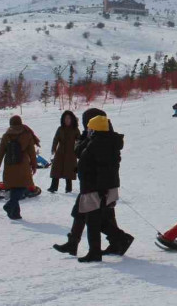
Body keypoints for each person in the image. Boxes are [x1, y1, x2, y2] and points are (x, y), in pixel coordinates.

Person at [54, 108, 133, 260]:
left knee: (99, 217)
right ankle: (74, 242)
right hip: (96, 183)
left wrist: (85, 143)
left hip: (98, 184)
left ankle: (118, 240)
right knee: (83, 212)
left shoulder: (100, 135)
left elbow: (91, 157)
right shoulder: (97, 133)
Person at [75, 115, 132, 263]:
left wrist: (101, 188)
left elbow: (104, 169)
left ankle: (95, 252)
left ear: (95, 130)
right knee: (98, 219)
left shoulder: (99, 144)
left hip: (97, 188)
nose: (88, 130)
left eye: (90, 128)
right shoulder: (103, 142)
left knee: (93, 220)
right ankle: (120, 239)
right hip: (101, 187)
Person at [0, 116, 39, 220]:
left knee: (14, 188)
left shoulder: (6, 136)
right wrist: (34, 165)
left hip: (10, 165)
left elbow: (1, 152)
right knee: (23, 186)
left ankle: (15, 214)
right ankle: (9, 205)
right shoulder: (27, 134)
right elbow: (31, 152)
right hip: (23, 165)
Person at [50, 110, 80, 193]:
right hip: (60, 152)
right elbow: (56, 139)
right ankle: (53, 187)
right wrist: (53, 148)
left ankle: (68, 188)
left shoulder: (75, 129)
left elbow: (79, 140)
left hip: (71, 153)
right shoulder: (60, 129)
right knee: (56, 169)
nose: (67, 120)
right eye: (65, 118)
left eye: (69, 118)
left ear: (72, 119)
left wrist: (78, 150)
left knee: (69, 170)